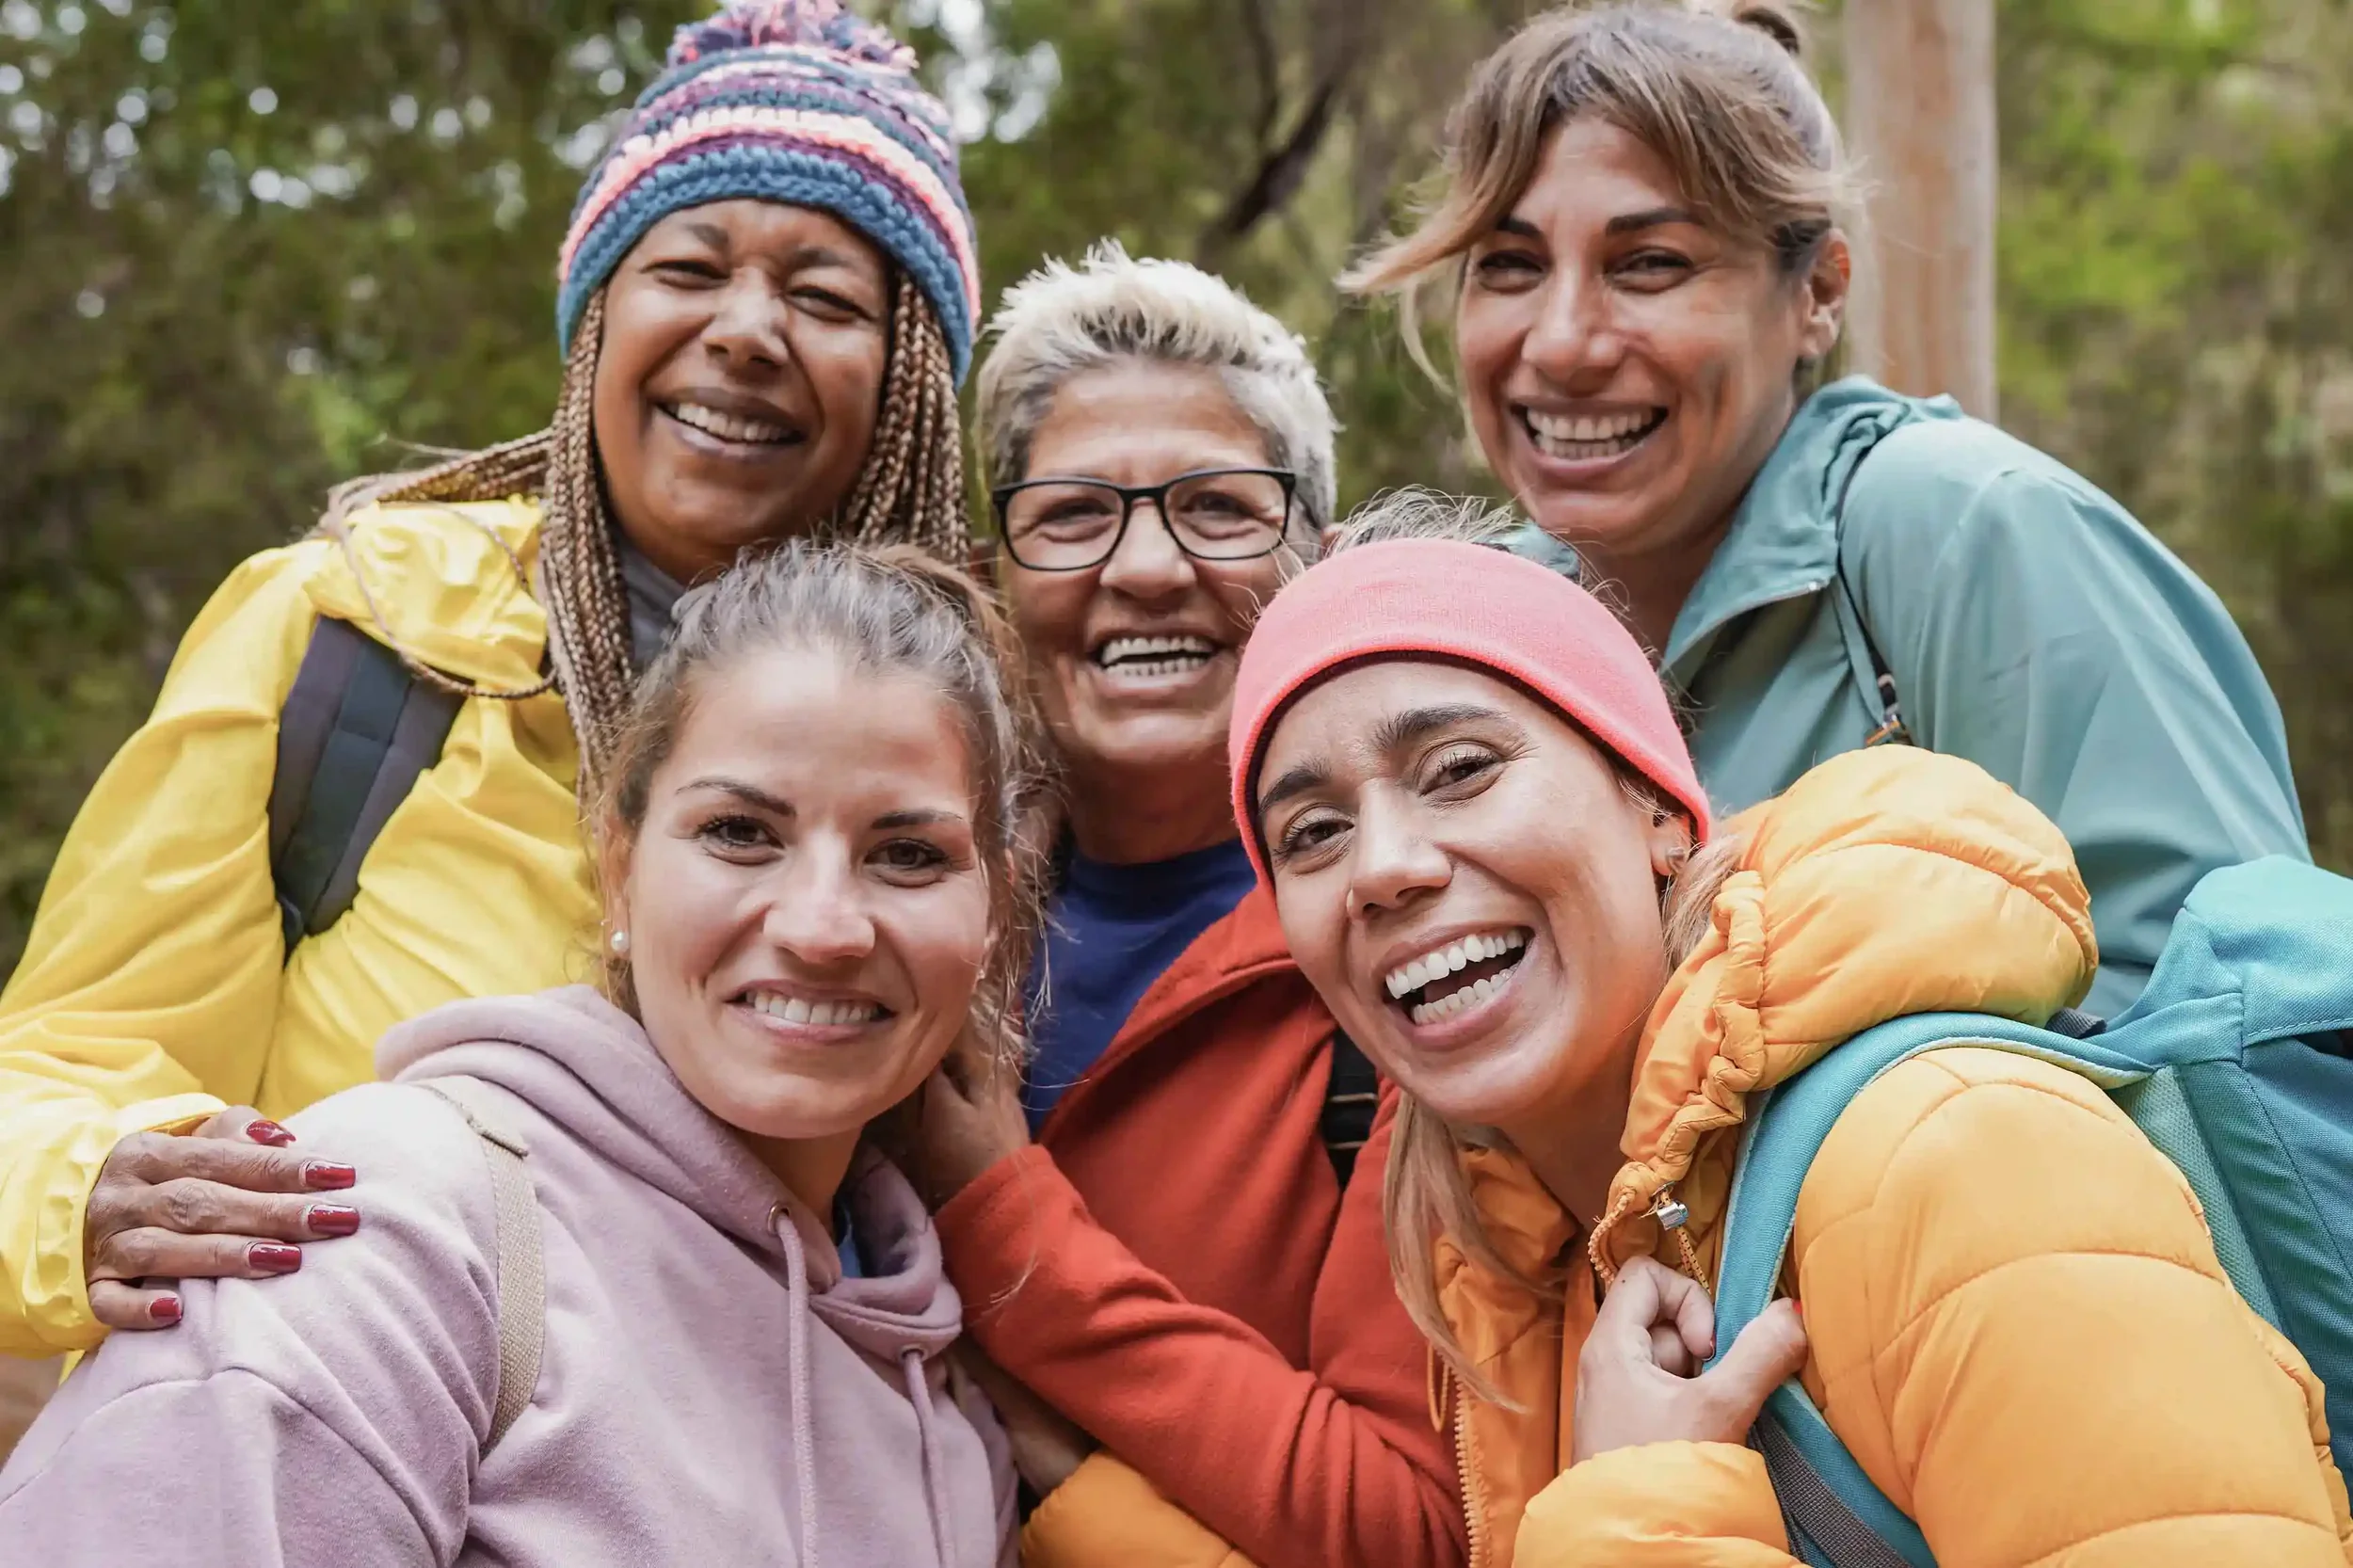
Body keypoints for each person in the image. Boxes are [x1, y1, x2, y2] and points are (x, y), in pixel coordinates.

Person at [0, 0, 980, 1361]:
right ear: (596, 321)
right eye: (687, 266)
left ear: (911, 384)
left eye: (823, 296)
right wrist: (92, 1187)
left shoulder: (974, 756)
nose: (748, 330)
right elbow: (60, 1064)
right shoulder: (354, 634)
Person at [1225, 493, 2353, 1566]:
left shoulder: (1951, 1154)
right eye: (1313, 832)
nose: (1380, 866)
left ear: (1657, 807)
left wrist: (1644, 1514)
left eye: (1460, 769)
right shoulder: (1535, 1278)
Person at [0, 543, 1064, 1565]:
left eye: (909, 854)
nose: (824, 925)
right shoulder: (380, 1231)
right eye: (741, 831)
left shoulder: (947, 1410)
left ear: (991, 912)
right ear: (618, 867)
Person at [1341, 0, 2308, 1014]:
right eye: (1510, 266)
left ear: (1817, 294)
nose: (1563, 342)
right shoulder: (1494, 631)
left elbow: (2234, 1015)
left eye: (1649, 264)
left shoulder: (1960, 527)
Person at [906, 246, 1465, 1567]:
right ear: (995, 578)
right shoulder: (900, 923)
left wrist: (998, 1218)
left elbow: (1408, 1528)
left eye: (1218, 509)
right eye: (1075, 514)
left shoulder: (1416, 951)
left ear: (1313, 562)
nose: (1147, 567)